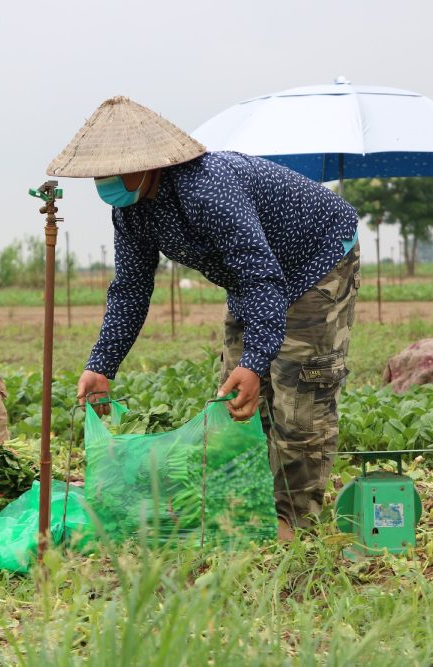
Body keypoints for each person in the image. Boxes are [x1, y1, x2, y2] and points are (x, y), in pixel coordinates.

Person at [47, 96, 360, 541]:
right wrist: (102, 364)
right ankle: (251, 503)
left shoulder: (207, 188)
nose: (106, 181)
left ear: (148, 163)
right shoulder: (130, 211)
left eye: (113, 169)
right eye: (99, 172)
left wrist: (255, 362)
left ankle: (293, 518)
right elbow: (131, 289)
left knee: (299, 392)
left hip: (315, 262)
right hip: (253, 277)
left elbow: (262, 275)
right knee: (237, 399)